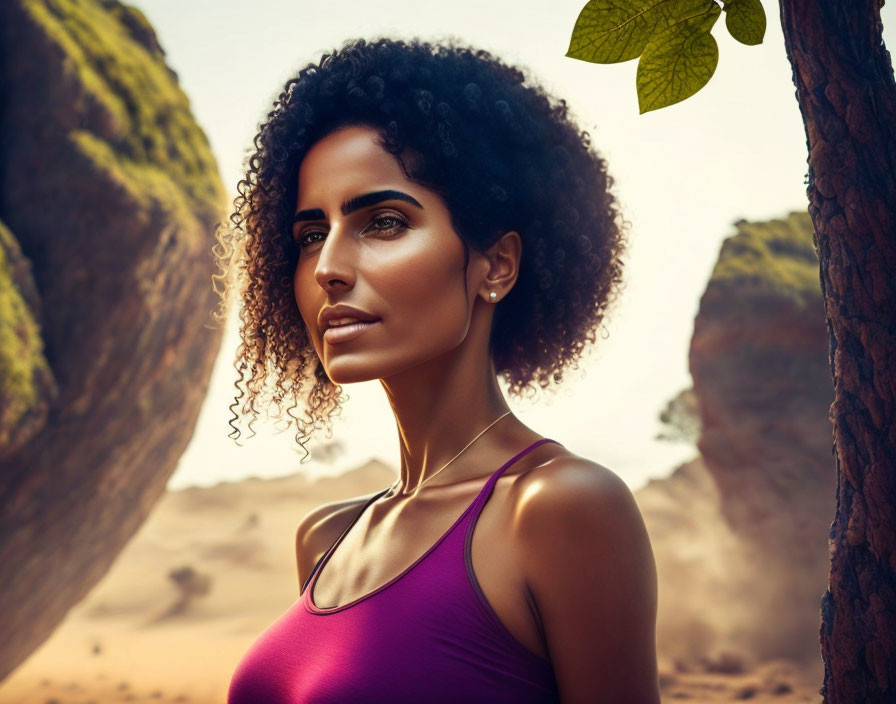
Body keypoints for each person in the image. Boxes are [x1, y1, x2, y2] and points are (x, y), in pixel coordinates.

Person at [222, 36, 660, 704]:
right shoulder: (327, 538)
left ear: (496, 266)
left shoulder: (560, 509)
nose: (329, 268)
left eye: (384, 222)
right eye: (312, 235)